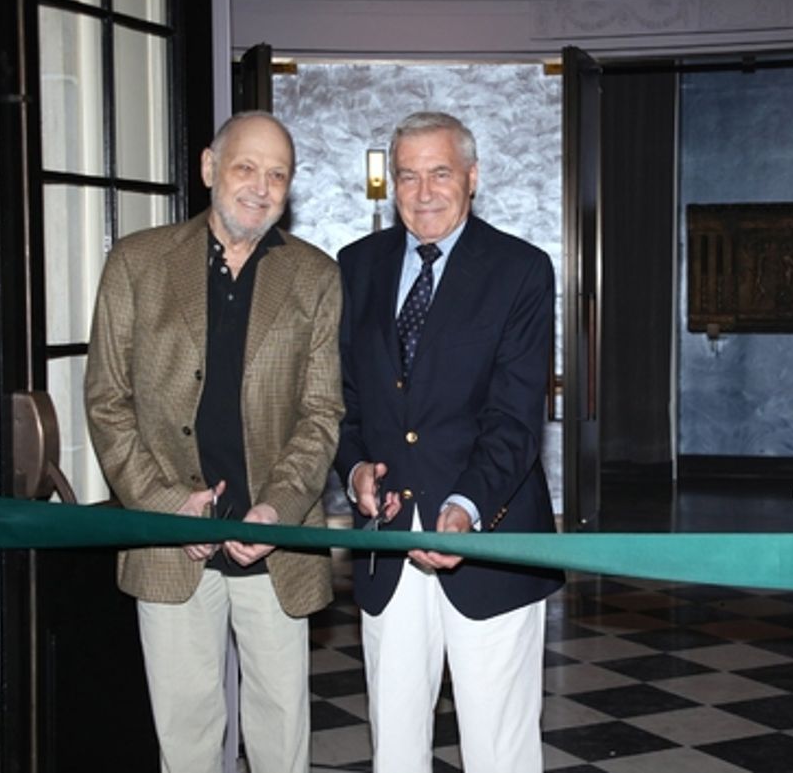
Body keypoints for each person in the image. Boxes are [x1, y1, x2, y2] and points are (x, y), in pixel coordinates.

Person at [84, 111, 342, 773]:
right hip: (173, 542)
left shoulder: (315, 277)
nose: (261, 186)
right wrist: (168, 503)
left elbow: (320, 415)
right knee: (186, 736)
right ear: (208, 167)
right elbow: (108, 403)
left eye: (278, 174)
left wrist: (278, 510)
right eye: (245, 167)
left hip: (274, 541)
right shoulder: (137, 263)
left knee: (281, 738)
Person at [334, 111, 563, 772]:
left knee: (499, 750)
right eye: (408, 175)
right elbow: (341, 402)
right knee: (395, 748)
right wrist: (353, 474)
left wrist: (464, 506)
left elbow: (516, 419)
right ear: (391, 185)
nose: (423, 190)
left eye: (440, 172)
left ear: (473, 177)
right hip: (388, 545)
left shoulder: (521, 270)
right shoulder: (355, 266)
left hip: (488, 543)